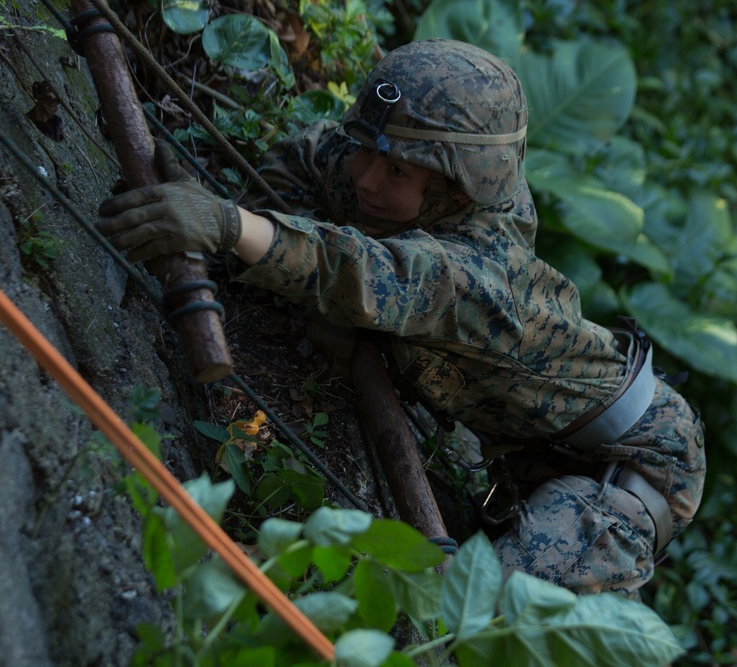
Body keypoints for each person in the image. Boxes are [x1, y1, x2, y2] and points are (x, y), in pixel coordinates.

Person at [96, 38, 706, 595]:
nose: (364, 175)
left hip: (634, 468)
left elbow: (370, 274)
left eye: (394, 171)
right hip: (533, 441)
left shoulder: (483, 278)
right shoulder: (405, 170)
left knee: (471, 613)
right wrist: (256, 227)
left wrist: (231, 227)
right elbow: (307, 160)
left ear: (457, 190)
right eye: (370, 152)